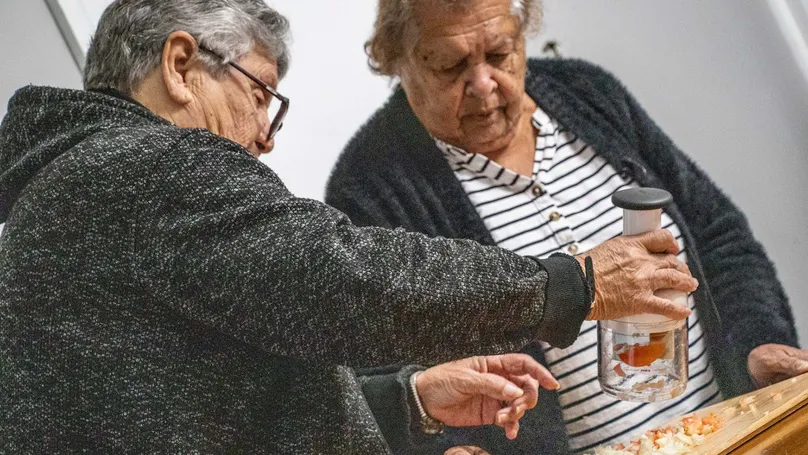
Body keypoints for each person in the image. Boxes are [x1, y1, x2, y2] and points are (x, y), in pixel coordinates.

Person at [0, 0, 698, 453]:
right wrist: (570, 284)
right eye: (261, 96)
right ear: (181, 66)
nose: (265, 139)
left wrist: (411, 398)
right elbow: (342, 277)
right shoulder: (142, 167)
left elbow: (221, 414)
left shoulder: (77, 186)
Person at [325, 0, 806, 453]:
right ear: (397, 61)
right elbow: (381, 375)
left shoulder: (588, 93)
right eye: (449, 67)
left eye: (500, 54)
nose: (484, 84)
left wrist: (757, 343)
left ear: (522, 36)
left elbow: (719, 237)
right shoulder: (369, 185)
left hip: (731, 432)